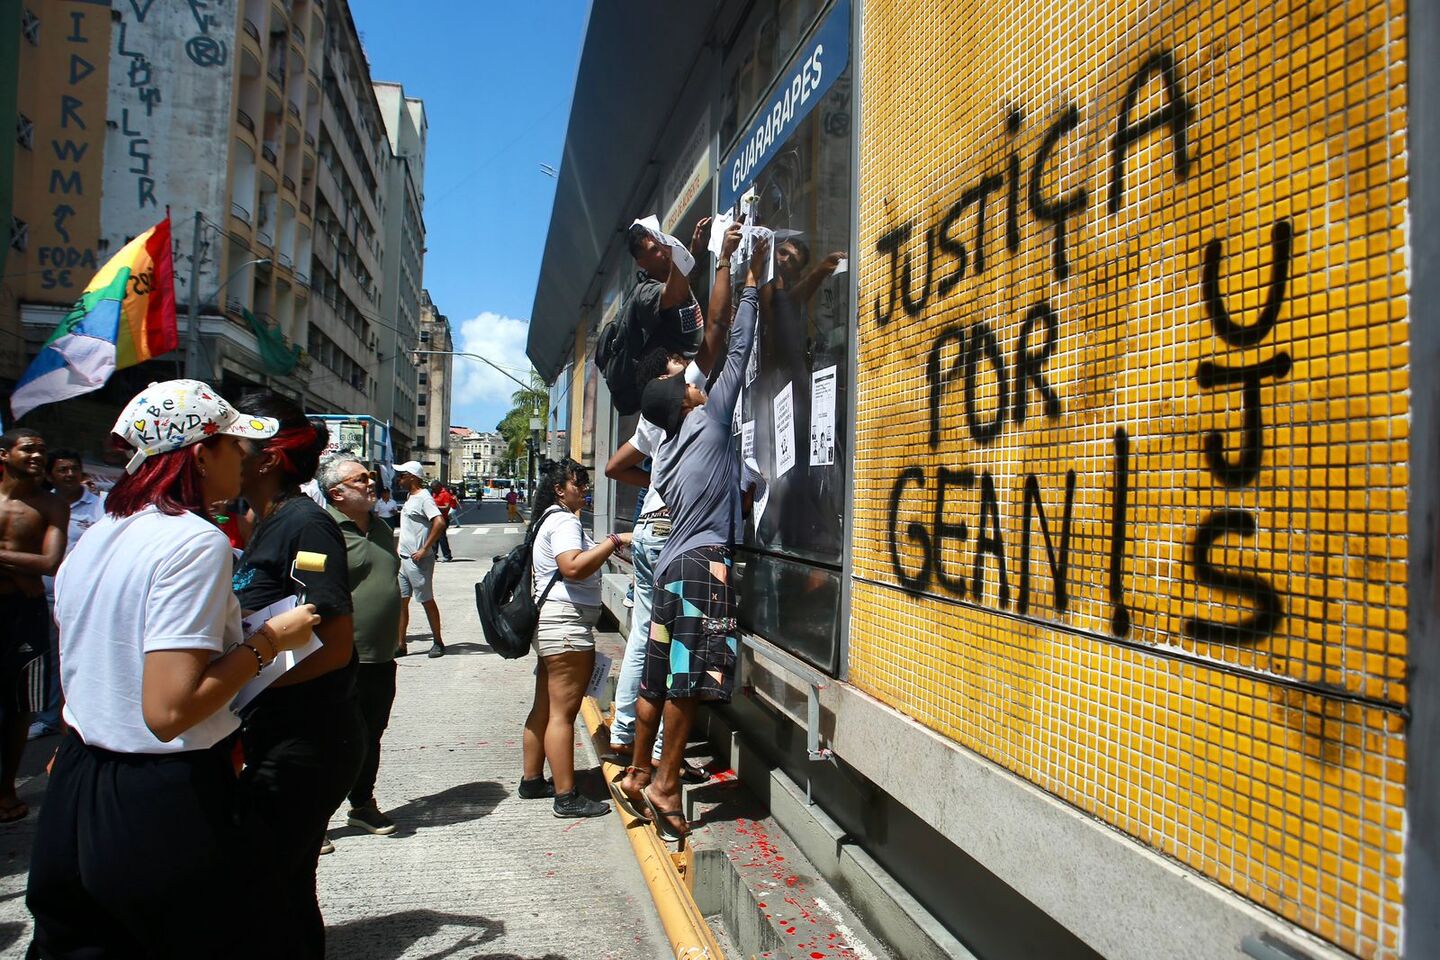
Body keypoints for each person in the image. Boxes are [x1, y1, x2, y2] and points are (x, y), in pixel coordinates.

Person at [26, 380, 319, 959]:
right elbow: (170, 711)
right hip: (161, 795)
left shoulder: (101, 532)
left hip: (83, 775)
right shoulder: (193, 542)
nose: (247, 459)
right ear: (201, 453)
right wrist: (267, 641)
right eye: (236, 446)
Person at [620, 237, 768, 841]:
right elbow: (738, 346)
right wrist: (749, 277)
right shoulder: (706, 420)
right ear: (683, 400)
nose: (695, 379)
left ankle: (636, 771)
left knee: (657, 676)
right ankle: (664, 783)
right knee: (689, 680)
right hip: (704, 567)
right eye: (687, 380)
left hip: (670, 570)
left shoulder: (670, 451)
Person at [603, 217, 742, 772]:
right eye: (681, 363)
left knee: (646, 635)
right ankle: (660, 756)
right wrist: (720, 256)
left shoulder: (655, 413)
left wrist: (655, 484)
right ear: (669, 372)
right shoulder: (687, 399)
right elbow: (718, 327)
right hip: (674, 536)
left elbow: (616, 466)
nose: (690, 363)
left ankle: (627, 737)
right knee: (677, 649)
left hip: (651, 527)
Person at [232, 393, 364, 959]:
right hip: (275, 728)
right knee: (277, 885)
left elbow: (332, 647)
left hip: (309, 736)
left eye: (229, 440)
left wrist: (226, 688)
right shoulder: (262, 522)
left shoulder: (305, 526)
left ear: (265, 459)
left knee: (269, 886)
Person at [522, 457, 630, 818]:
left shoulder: (547, 520)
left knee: (544, 708)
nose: (583, 491)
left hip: (551, 624)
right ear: (559, 490)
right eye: (577, 485)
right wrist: (614, 541)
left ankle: (533, 779)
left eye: (584, 484)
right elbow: (571, 566)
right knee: (562, 715)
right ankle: (566, 796)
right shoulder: (565, 520)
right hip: (566, 626)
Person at [316, 455, 402, 838]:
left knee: (372, 732)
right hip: (338, 657)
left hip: (382, 656)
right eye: (360, 479)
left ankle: (362, 804)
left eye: (371, 476)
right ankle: (314, 820)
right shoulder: (324, 532)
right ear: (336, 493)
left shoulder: (383, 529)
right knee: (331, 738)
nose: (371, 483)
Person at [0, 428, 67, 821]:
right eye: (29, 449)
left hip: (24, 615)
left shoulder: (51, 506)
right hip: (17, 598)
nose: (38, 456)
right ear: (5, 455)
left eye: (43, 450)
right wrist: (19, 568)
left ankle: (6, 790)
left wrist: (22, 571)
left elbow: (49, 564)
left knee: (19, 707)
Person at [30, 449, 105, 740]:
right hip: (46, 596)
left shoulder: (99, 504)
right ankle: (49, 717)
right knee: (47, 660)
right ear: (51, 475)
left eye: (74, 468)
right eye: (62, 470)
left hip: (86, 598)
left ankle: (76, 717)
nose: (70, 474)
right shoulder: (42, 504)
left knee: (77, 656)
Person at [392, 461, 446, 658]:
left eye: (402, 475)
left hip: (417, 560)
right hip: (404, 558)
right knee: (401, 602)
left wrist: (424, 548)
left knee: (426, 600)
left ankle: (438, 642)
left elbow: (439, 522)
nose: (399, 479)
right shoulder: (410, 496)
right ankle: (401, 644)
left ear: (413, 477)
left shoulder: (424, 498)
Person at [431, 480, 456, 562]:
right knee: (434, 538)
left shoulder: (445, 494)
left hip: (443, 518)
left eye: (434, 488)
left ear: (439, 487)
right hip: (434, 518)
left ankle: (447, 555)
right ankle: (434, 555)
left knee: (442, 537)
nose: (433, 490)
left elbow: (447, 507)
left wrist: (436, 507)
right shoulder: (435, 494)